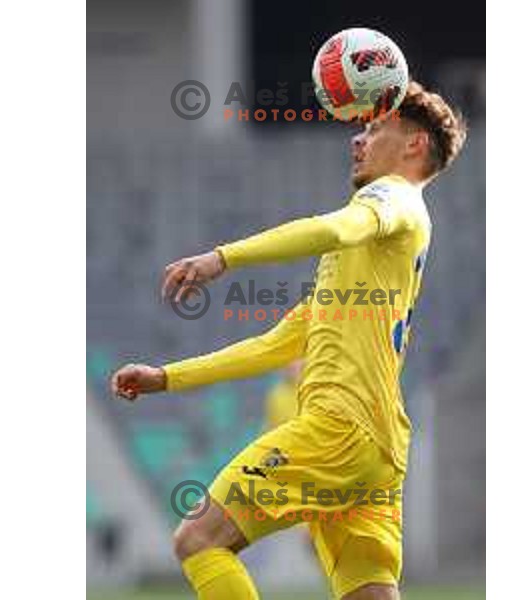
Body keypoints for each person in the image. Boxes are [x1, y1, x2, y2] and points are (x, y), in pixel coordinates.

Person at [111, 81, 467, 600]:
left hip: (337, 432)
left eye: (373, 128)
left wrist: (222, 258)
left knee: (199, 539)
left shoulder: (392, 198)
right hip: (379, 450)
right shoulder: (363, 272)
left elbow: (339, 228)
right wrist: (167, 378)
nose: (358, 139)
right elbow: (273, 346)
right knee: (369, 593)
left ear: (414, 146)